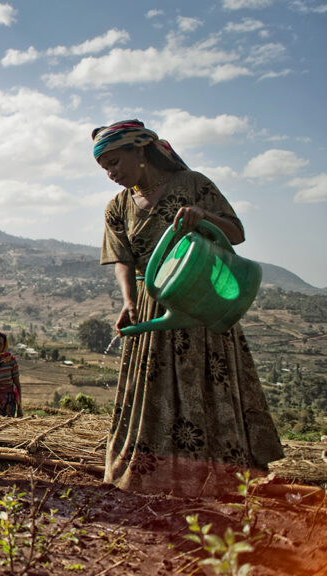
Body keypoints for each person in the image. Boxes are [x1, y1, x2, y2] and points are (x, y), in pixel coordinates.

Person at [92, 119, 283, 497]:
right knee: (152, 390)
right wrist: (129, 302)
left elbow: (237, 232)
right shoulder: (118, 207)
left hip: (201, 297)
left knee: (207, 382)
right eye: (105, 168)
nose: (112, 173)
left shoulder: (193, 184)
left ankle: (222, 476)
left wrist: (204, 215)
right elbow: (123, 260)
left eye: (115, 162)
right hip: (152, 305)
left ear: (139, 151)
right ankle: (154, 475)